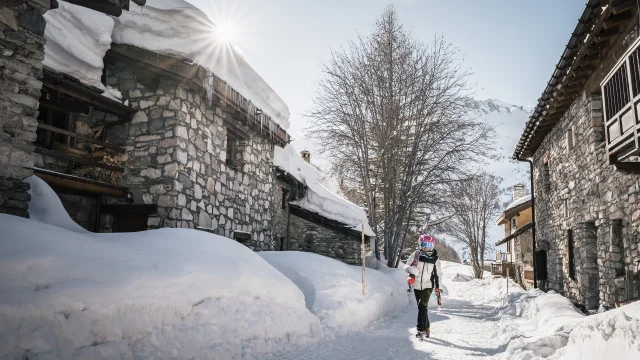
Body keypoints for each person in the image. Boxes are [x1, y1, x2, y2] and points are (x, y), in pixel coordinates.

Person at [405, 234, 442, 339]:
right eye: (424, 244)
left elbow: (438, 274)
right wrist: (411, 270)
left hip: (428, 285)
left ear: (432, 246)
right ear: (420, 244)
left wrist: (438, 288)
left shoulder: (435, 259)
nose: (426, 247)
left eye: (429, 245)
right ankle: (427, 328)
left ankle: (420, 330)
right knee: (422, 307)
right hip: (416, 285)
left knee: (422, 305)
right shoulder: (416, 255)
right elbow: (406, 266)